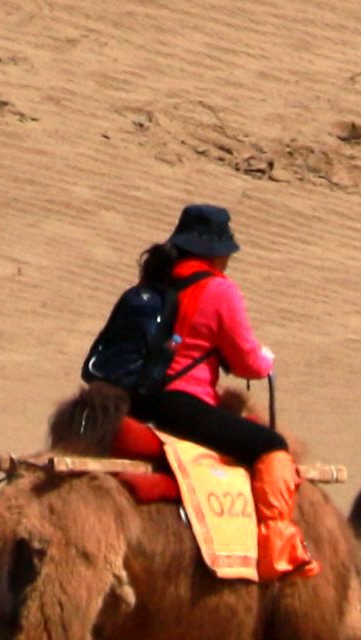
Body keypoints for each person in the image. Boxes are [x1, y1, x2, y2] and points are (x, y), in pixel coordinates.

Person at [100, 203, 308, 582]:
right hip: (182, 406)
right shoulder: (218, 290)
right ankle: (278, 549)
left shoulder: (153, 284)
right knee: (271, 445)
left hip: (137, 402)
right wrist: (265, 360)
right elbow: (246, 361)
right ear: (217, 253)